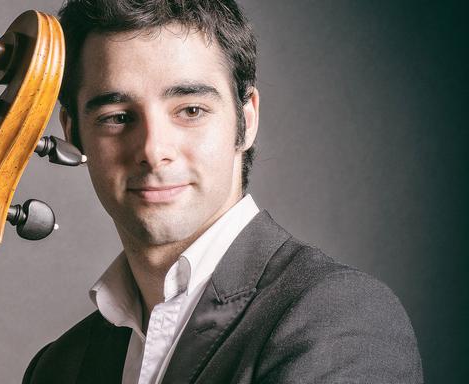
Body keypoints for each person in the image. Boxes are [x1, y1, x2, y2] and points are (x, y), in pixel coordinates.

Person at [22, 1, 423, 383]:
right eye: (117, 117)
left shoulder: (338, 318)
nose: (153, 150)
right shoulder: (58, 367)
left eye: (191, 110)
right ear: (72, 132)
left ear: (246, 120)